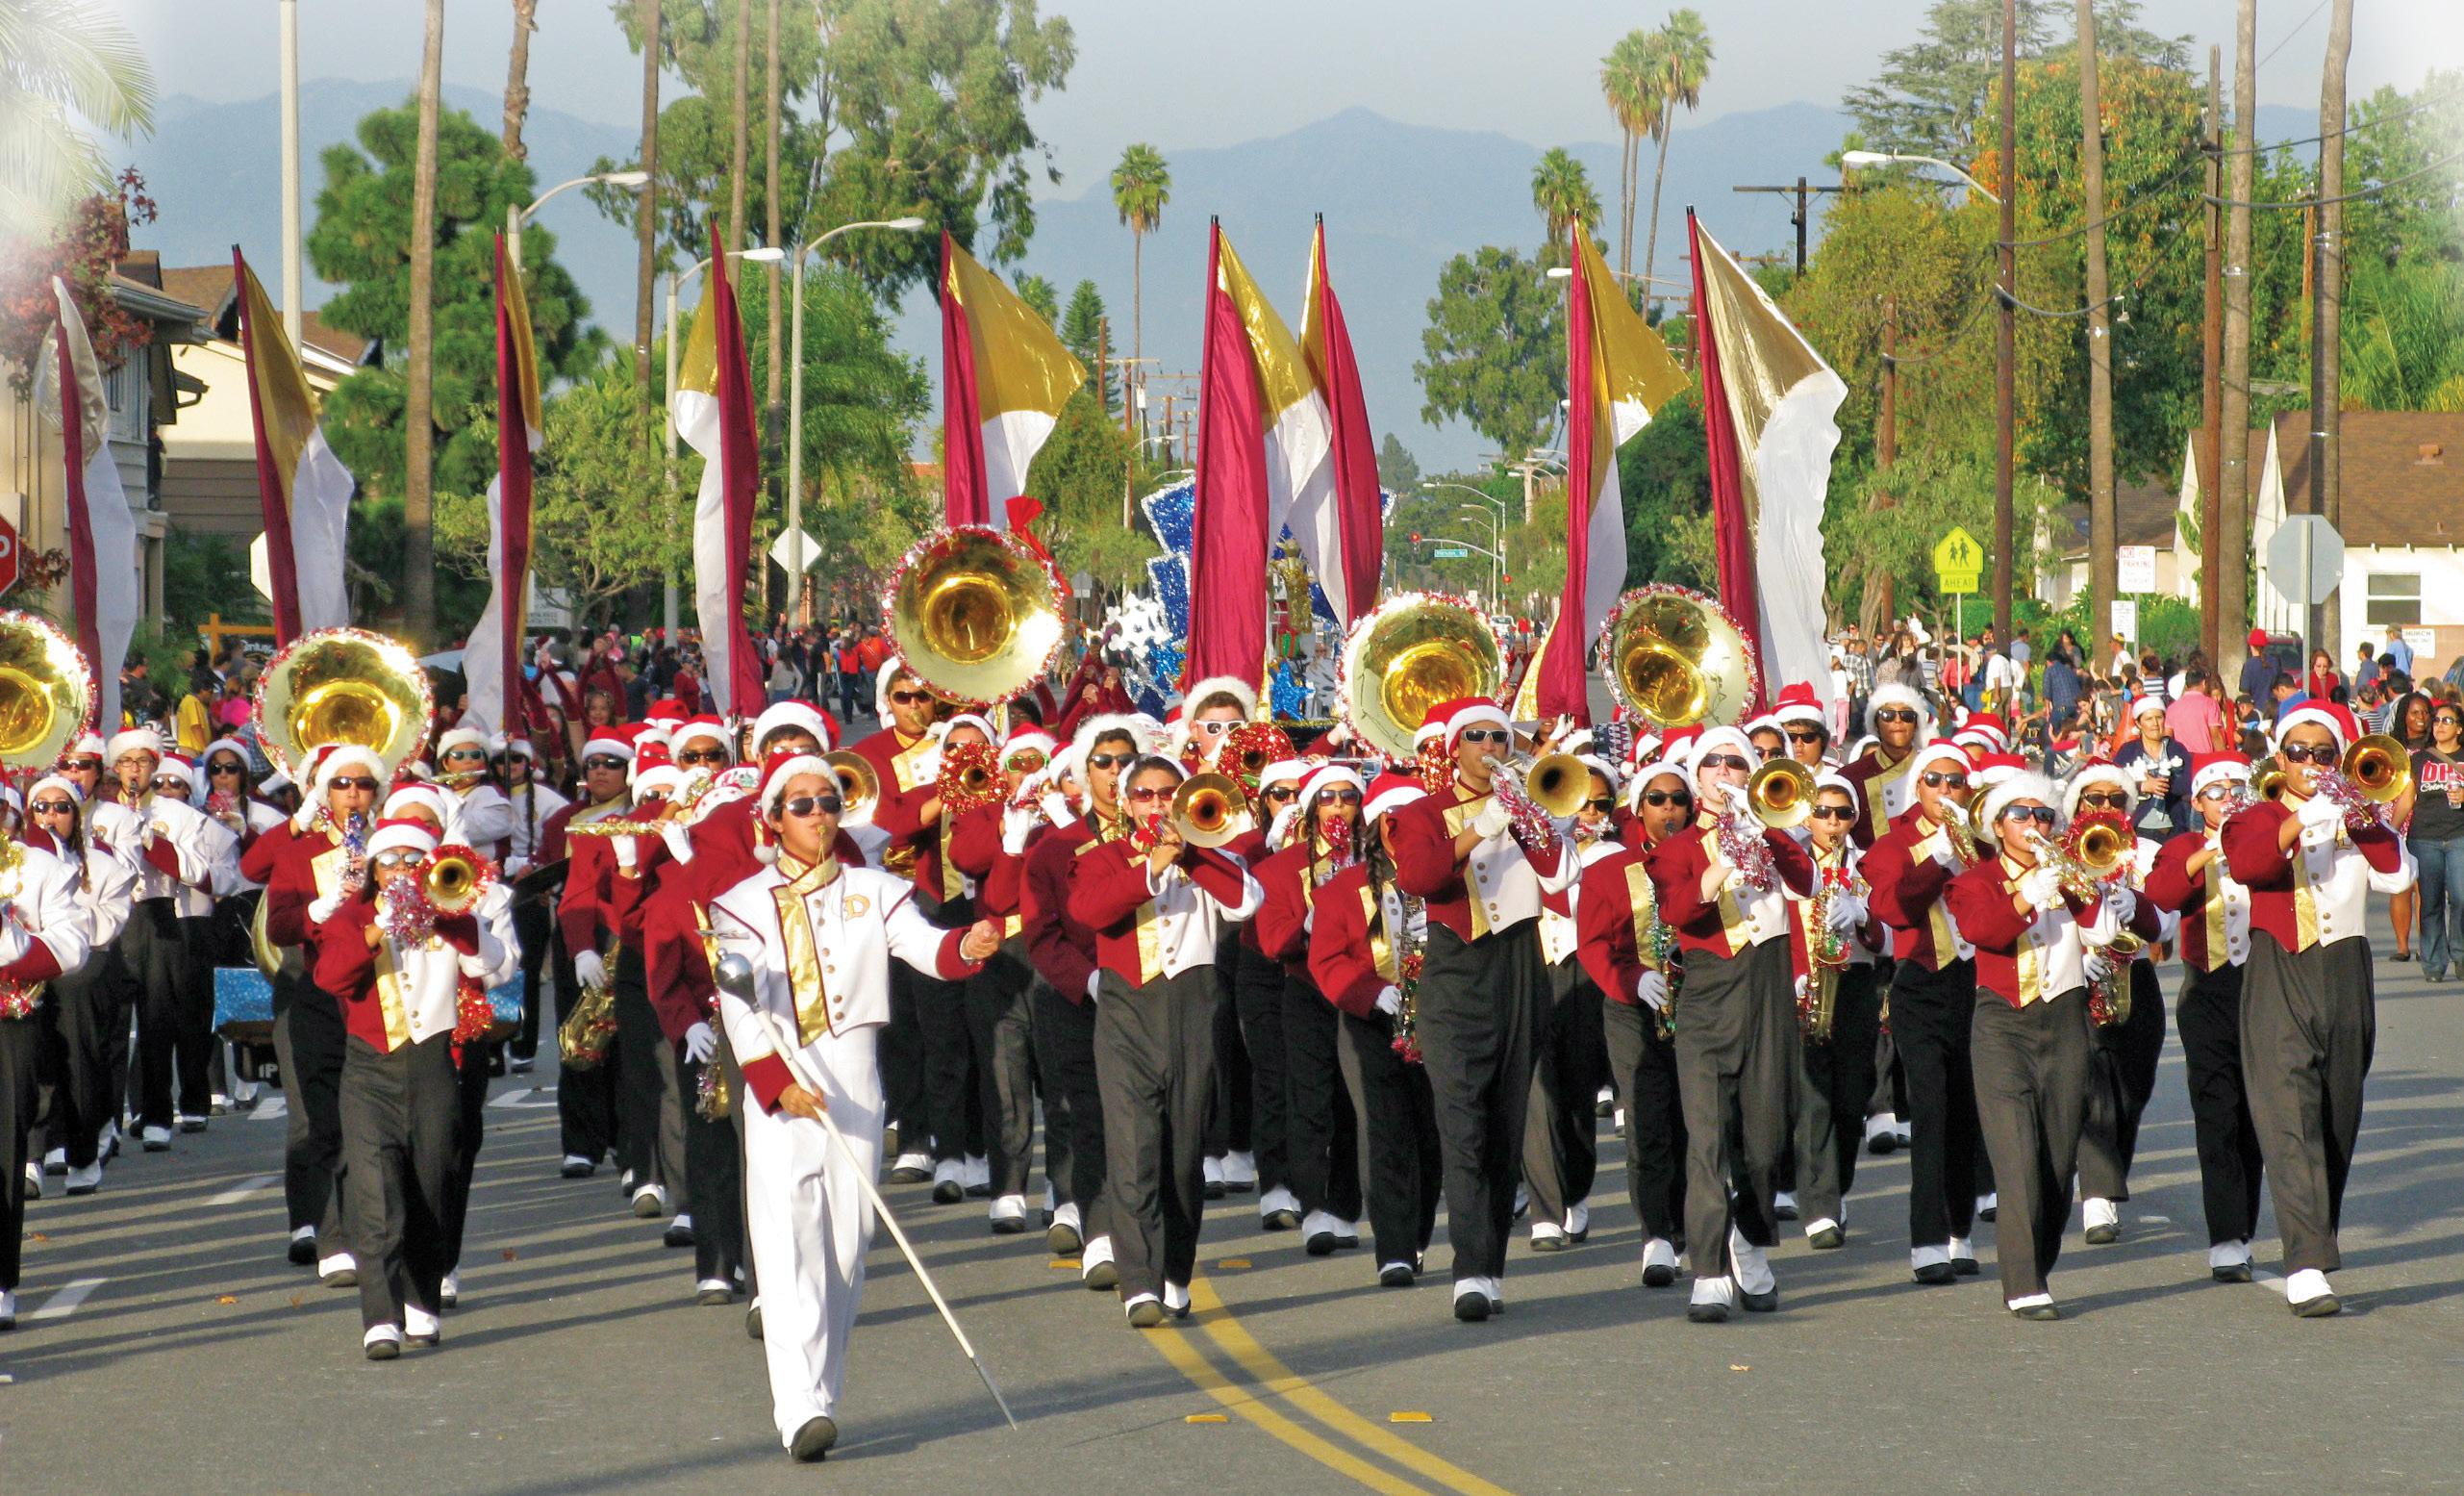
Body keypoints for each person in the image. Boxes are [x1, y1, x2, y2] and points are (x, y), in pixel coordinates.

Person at [2223, 699, 2415, 1316]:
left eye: (2324, 753)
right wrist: (2304, 816)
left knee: (2337, 1116)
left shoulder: (2357, 814)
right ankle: (2306, 1265)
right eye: (2299, 752)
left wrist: (2361, 817)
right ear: (2281, 759)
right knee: (2288, 1115)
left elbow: (2397, 876)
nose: (2311, 762)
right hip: (2279, 968)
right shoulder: (2255, 816)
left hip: (2346, 970)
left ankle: (2313, 1236)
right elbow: (2250, 864)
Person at [1388, 697, 1577, 1322]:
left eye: (1501, 737)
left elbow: (1561, 878)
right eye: (1477, 736)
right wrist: (1479, 827)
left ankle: (1489, 1265)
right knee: (1462, 1122)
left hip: (1521, 967)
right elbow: (1419, 876)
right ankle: (1468, 1268)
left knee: (1504, 1125)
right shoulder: (1422, 812)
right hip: (1456, 972)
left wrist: (1525, 816)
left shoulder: (1529, 804)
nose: (1492, 747)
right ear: (1454, 748)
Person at [1068, 752, 1263, 1326]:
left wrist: (1192, 853)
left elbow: (1247, 901)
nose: (1156, 804)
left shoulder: (1214, 856)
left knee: (1183, 1156)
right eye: (1144, 795)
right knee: (1134, 1152)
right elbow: (1088, 910)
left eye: (1166, 794)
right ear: (1127, 804)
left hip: (1195, 1010)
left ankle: (1175, 1271)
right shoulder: (1101, 858)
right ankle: (1139, 1283)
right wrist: (1150, 867)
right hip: (1128, 1012)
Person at [1945, 770, 2138, 1320]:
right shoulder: (1975, 881)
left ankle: (2038, 1261)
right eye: (2021, 815)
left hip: (2065, 1022)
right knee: (2017, 1160)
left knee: (2056, 1160)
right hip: (2002, 1025)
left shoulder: (2069, 871)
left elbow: (2105, 934)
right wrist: (2028, 894)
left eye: (2043, 815)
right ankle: (2024, 1282)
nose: (2034, 824)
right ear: (1997, 826)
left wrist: (2083, 887)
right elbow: (1983, 930)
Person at [310, 816, 506, 1358]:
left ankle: (422, 1298)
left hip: (432, 1068)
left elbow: (493, 965)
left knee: (431, 1187)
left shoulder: (451, 913)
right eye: (389, 861)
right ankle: (380, 1317)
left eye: (411, 860)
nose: (400, 869)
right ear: (374, 870)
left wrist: (450, 917)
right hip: (369, 1071)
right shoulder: (352, 918)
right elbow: (331, 977)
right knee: (377, 1197)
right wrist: (378, 928)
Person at [1645, 726, 1817, 1321]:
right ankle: (1710, 1270)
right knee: (1708, 1142)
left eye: (1736, 762)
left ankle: (1748, 1239)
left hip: (1768, 992)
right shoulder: (1677, 847)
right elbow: (1677, 909)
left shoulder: (1773, 830)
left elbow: (1808, 881)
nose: (1725, 770)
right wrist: (1722, 862)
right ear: (1697, 778)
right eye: (1713, 762)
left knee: (1766, 1143)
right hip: (1710, 997)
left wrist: (1764, 831)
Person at [1308, 772, 1448, 1286]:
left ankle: (1417, 1236)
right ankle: (1393, 1248)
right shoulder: (1343, 889)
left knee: (1431, 1137)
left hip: (1437, 1023)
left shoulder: (1447, 881)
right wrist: (1371, 993)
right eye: (1396, 820)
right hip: (1370, 1026)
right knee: (1385, 1133)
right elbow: (1327, 960)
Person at [1861, 737, 1983, 1284]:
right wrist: (1939, 860)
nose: (1944, 789)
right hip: (1921, 985)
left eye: (1955, 781)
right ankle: (1927, 1241)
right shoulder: (1895, 843)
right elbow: (1893, 907)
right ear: (1918, 787)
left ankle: (1960, 1231)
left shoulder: (1984, 834)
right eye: (1933, 780)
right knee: (1931, 1111)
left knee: (1967, 1113)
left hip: (1977, 985)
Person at [2144, 752, 2266, 1281]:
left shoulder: (2267, 838)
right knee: (2217, 1113)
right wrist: (2206, 855)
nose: (2228, 799)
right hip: (2208, 991)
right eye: (2216, 792)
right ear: (2197, 802)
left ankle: (2244, 1226)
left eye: (2237, 790)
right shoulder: (2183, 845)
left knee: (2257, 1116)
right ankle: (2226, 1238)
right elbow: (2161, 897)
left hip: (2265, 989)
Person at [1575, 744, 1694, 1285]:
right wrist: (1631, 979)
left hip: (1698, 1005)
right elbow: (1594, 944)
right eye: (1657, 799)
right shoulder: (1608, 870)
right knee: (1647, 1122)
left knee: (1694, 1121)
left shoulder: (1707, 860)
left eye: (1678, 799)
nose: (1669, 809)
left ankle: (1692, 1223)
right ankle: (1656, 1235)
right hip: (1633, 1008)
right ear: (1639, 808)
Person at [1250, 763, 1370, 1255]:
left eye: (1348, 797)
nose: (1338, 806)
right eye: (1327, 797)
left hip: (1362, 991)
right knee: (1309, 1100)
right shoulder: (1281, 868)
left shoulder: (1375, 859)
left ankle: (1344, 1206)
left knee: (1354, 1103)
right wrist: (1311, 920)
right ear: (1312, 808)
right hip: (1307, 992)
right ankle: (1314, 1205)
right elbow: (1271, 941)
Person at [2061, 764, 2172, 1245]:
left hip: (2135, 976)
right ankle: (2097, 1196)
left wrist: (2141, 908)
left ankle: (2103, 1176)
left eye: (2116, 799)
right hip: (2080, 977)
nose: (2105, 807)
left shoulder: (2146, 852)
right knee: (2094, 1086)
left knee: (2132, 1089)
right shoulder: (2060, 852)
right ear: (2077, 805)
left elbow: (2167, 920)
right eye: (2094, 798)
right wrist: (2073, 953)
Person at [0, 824, 97, 1332]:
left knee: (3, 1150)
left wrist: (12, 943)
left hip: (8, 1020)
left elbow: (72, 947)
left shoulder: (38, 868)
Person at [1783, 773, 1882, 1252]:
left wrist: (1862, 914)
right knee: (1813, 1097)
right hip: (1806, 983)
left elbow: (1888, 935)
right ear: (1807, 816)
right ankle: (1819, 1206)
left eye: (1843, 814)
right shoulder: (1792, 865)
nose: (1833, 822)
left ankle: (1834, 1189)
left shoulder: (1867, 865)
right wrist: (1796, 972)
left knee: (1850, 1098)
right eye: (1822, 812)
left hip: (1855, 983)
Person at [2408, 701, 2464, 982]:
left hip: (2459, 835)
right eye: (2437, 720)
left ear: (2460, 728)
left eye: (2447, 720)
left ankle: (2461, 954)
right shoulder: (2420, 759)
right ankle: (2433, 963)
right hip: (2424, 836)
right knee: (2430, 902)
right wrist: (2390, 832)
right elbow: (2406, 798)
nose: (2440, 725)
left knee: (2461, 897)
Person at [2111, 695, 2192, 840]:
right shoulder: (2128, 751)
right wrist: (2141, 786)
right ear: (2138, 723)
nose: (2155, 723)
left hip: (2174, 826)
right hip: (2140, 828)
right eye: (2149, 719)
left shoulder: (2176, 749)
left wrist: (2162, 784)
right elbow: (2114, 784)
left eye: (2159, 717)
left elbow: (2188, 783)